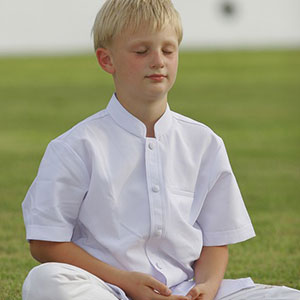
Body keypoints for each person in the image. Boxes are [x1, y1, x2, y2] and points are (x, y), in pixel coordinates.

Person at [21, 1, 300, 299]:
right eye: (142, 51)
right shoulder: (75, 147)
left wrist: (206, 287)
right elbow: (45, 242)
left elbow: (216, 240)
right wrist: (126, 282)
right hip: (105, 288)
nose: (158, 61)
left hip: (184, 290)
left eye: (168, 50)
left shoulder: (204, 143)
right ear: (106, 60)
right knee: (45, 281)